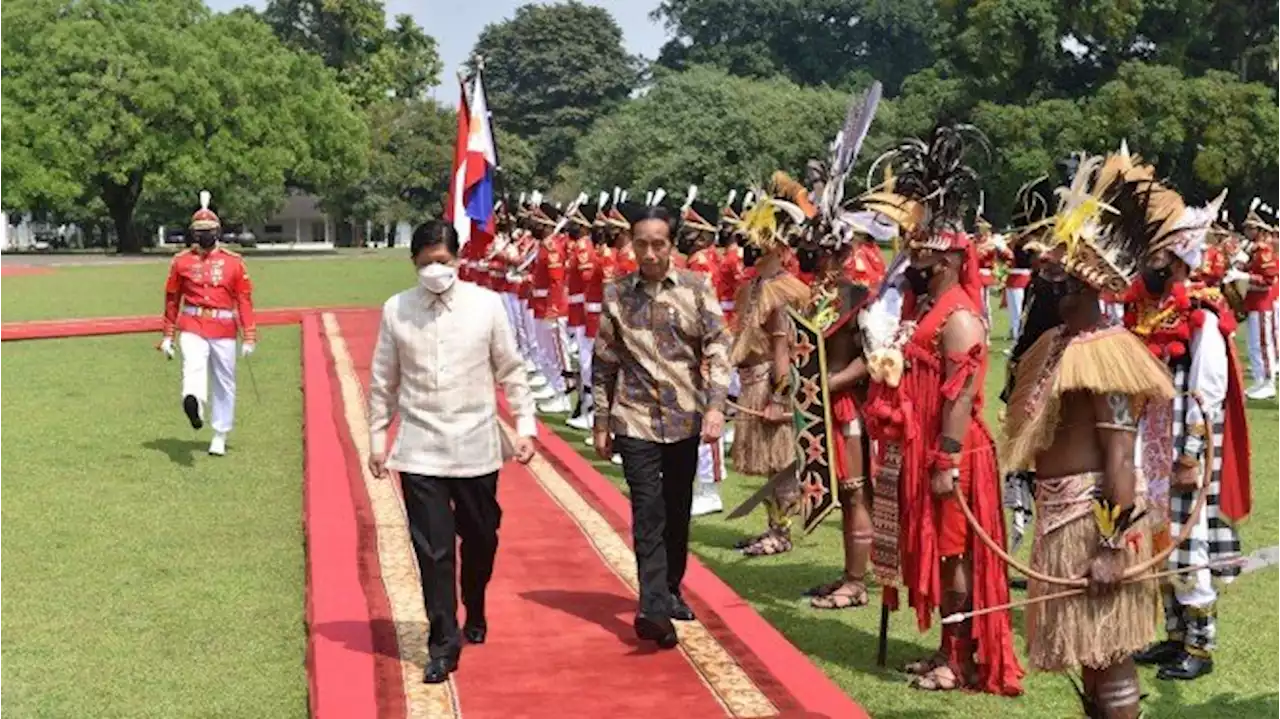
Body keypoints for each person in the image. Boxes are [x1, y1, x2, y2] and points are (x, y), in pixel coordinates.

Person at [859, 125, 1022, 695]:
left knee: (955, 554)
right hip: (919, 445)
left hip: (952, 453)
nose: (913, 253)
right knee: (937, 550)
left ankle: (961, 659)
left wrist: (945, 459)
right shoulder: (924, 304)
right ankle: (946, 651)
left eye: (923, 245)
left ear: (950, 254)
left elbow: (958, 394)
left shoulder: (960, 316)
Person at [366, 221, 538, 684]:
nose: (435, 271)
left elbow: (511, 368)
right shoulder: (397, 310)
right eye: (425, 264)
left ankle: (475, 602)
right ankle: (443, 642)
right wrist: (378, 439)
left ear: (457, 260)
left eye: (442, 262)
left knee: (482, 537)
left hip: (476, 444)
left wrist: (525, 426)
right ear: (413, 264)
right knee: (434, 551)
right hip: (420, 447)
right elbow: (384, 380)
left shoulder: (486, 305)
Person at [1124, 190, 1251, 682]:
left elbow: (1208, 389)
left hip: (1182, 445)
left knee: (1186, 541)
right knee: (1158, 539)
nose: (1148, 260)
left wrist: (1191, 454)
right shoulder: (1142, 305)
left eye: (1157, 252)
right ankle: (1174, 635)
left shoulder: (1201, 310)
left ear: (1178, 258)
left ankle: (1200, 645)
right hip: (1148, 440)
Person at [591, 204, 731, 650]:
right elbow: (604, 362)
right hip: (634, 420)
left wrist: (715, 407)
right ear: (631, 244)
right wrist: (600, 419)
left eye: (658, 244)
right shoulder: (617, 294)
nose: (649, 253)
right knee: (647, 511)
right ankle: (652, 607)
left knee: (676, 507)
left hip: (686, 417)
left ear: (672, 245)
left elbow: (718, 349)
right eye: (641, 244)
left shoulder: (696, 288)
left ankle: (671, 588)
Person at [727, 187, 812, 557]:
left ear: (778, 249)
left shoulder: (785, 291)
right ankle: (772, 527)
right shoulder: (753, 287)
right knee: (767, 465)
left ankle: (782, 532)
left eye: (759, 244)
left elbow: (786, 348)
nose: (751, 251)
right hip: (751, 380)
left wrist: (779, 395)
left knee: (781, 464)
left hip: (771, 383)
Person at [159, 191, 257, 457]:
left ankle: (220, 433)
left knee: (224, 380)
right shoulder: (181, 262)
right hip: (192, 322)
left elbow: (244, 300)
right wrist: (168, 335)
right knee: (193, 364)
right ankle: (194, 402)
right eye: (199, 230)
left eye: (209, 230)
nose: (204, 235)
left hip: (224, 327)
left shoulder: (233, 262)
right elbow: (172, 299)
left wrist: (249, 336)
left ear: (218, 231)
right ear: (192, 233)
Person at [680, 188, 728, 517]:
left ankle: (710, 489)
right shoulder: (701, 260)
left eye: (691, 228)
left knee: (705, 420)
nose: (685, 233)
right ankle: (702, 484)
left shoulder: (701, 263)